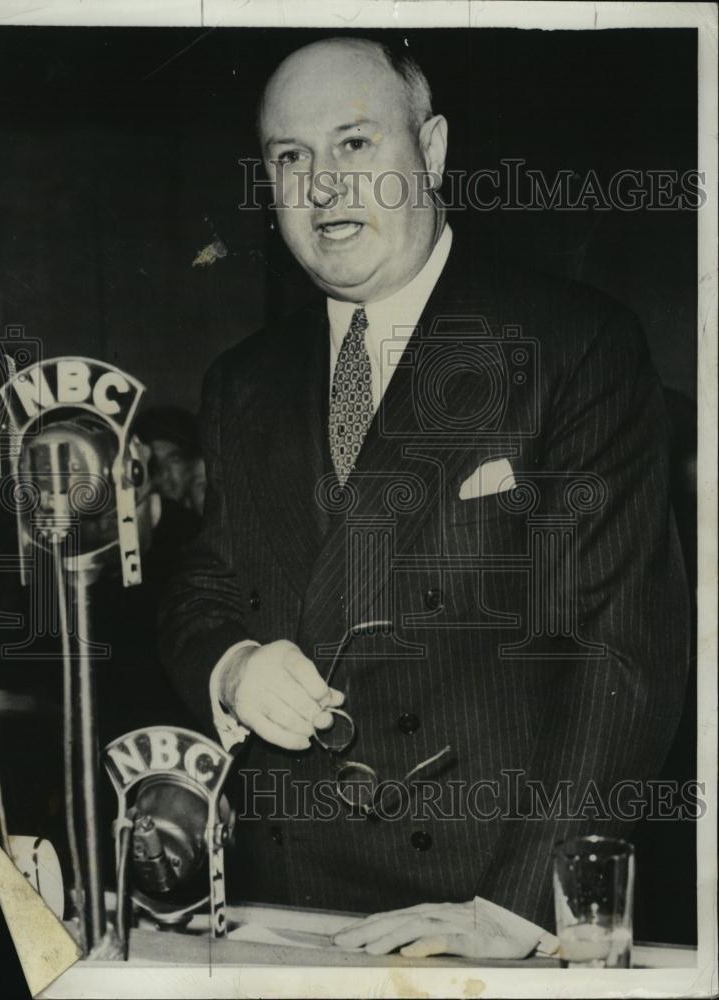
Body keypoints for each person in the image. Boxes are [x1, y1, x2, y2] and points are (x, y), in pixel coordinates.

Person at [159, 37, 689, 958]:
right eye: (291, 158)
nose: (322, 188)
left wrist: (522, 907)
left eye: (355, 145)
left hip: (484, 903)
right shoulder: (242, 381)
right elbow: (208, 580)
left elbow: (622, 650)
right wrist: (234, 664)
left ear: (432, 151)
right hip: (292, 910)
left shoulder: (574, 345)